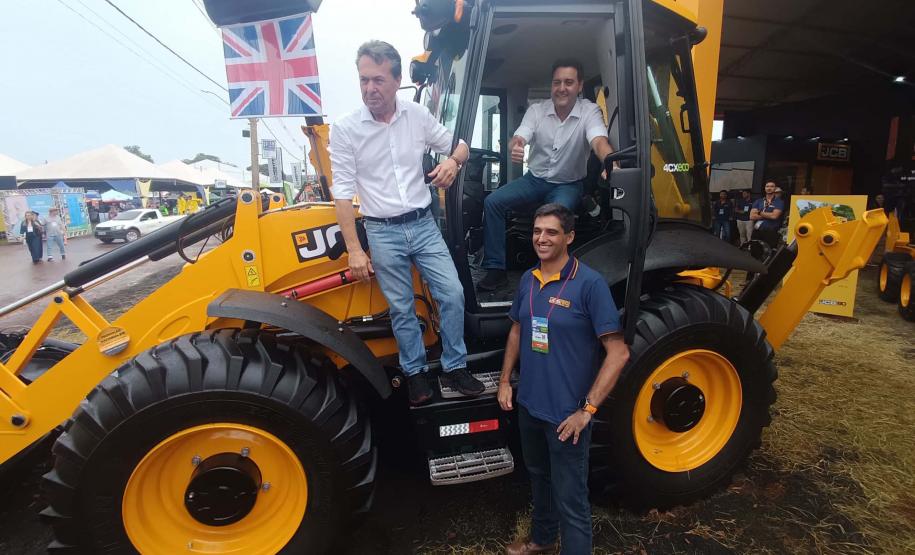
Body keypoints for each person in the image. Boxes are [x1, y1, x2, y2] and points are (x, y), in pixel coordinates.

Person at [331, 40, 484, 405]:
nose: (370, 88)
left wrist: (453, 163)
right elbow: (341, 192)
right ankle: (415, 373)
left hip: (423, 224)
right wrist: (354, 249)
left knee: (453, 292)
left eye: (379, 80)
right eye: (364, 80)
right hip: (382, 231)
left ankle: (455, 365)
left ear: (397, 80)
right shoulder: (346, 129)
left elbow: (461, 145)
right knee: (401, 308)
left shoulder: (416, 116)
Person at [497, 204, 628, 555]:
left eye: (551, 232)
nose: (542, 238)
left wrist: (587, 410)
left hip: (566, 416)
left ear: (569, 237)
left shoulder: (590, 285)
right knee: (539, 479)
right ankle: (541, 539)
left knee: (571, 499)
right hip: (530, 407)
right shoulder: (528, 279)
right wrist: (505, 380)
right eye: (538, 230)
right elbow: (517, 329)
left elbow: (619, 353)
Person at [478, 59, 615, 291]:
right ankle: (496, 270)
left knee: (553, 219)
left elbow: (599, 141)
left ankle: (550, 275)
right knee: (493, 202)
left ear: (580, 86)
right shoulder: (537, 111)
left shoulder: (589, 111)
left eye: (569, 82)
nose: (562, 88)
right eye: (557, 82)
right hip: (535, 179)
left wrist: (611, 162)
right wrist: (517, 144)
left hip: (568, 184)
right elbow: (520, 136)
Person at [750, 181, 785, 248]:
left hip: (771, 231)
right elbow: (752, 216)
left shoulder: (779, 202)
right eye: (767, 186)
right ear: (765, 188)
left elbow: (774, 216)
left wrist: (759, 212)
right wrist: (768, 215)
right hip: (757, 230)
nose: (769, 188)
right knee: (754, 250)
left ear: (775, 188)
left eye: (772, 186)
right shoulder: (759, 201)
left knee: (769, 252)